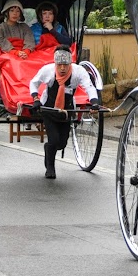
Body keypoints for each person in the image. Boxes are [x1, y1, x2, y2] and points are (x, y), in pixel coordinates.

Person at [29, 45, 101, 179]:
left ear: (70, 63)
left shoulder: (78, 72)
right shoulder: (48, 70)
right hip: (49, 109)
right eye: (60, 65)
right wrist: (35, 98)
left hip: (67, 110)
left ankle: (48, 149)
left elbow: (89, 87)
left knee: (62, 143)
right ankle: (50, 167)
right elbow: (33, 83)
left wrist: (94, 102)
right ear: (55, 63)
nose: (62, 68)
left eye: (65, 65)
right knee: (54, 139)